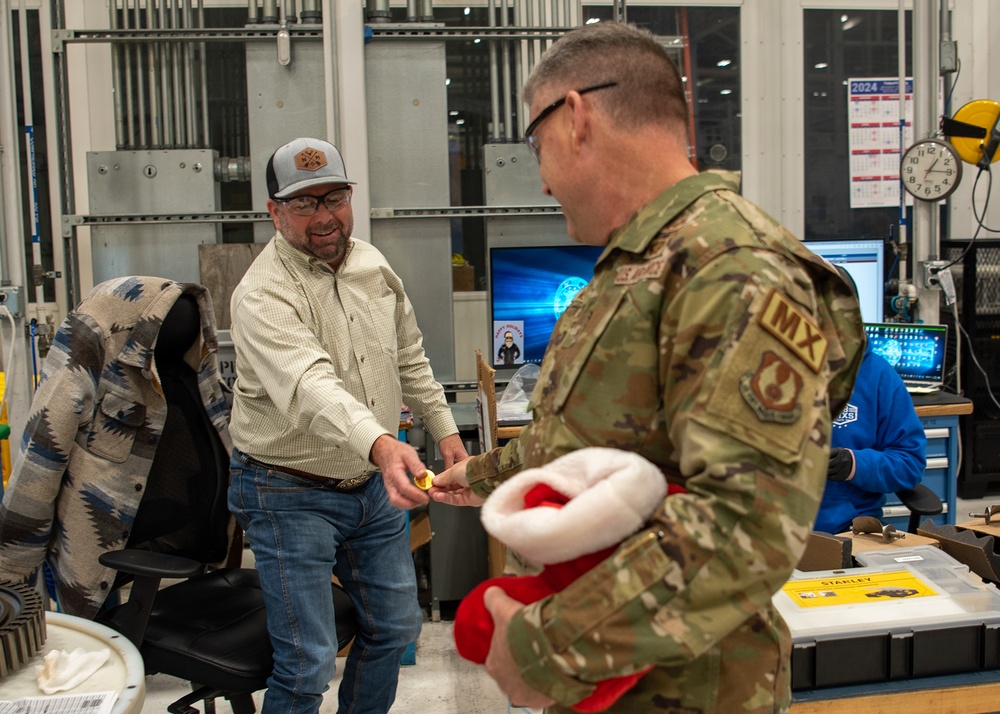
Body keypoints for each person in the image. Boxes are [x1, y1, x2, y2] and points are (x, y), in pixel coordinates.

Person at [430, 22, 864, 714]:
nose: (540, 180)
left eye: (534, 143)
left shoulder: (730, 267)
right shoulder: (641, 264)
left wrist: (547, 646)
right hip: (616, 678)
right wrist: (482, 478)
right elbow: (603, 447)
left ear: (576, 117)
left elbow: (746, 523)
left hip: (687, 688)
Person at [227, 137, 468, 714]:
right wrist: (385, 444)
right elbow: (312, 389)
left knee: (392, 631)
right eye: (305, 205)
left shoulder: (371, 265)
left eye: (334, 198)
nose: (325, 217)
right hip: (287, 490)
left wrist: (446, 431)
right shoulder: (261, 294)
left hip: (369, 487)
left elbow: (408, 355)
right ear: (274, 212)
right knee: (307, 664)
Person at [0, 276, 232, 619]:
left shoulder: (194, 365)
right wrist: (11, 570)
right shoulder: (96, 341)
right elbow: (43, 453)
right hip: (101, 546)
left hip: (177, 543)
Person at [813, 267, 927, 534]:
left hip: (845, 531)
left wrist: (854, 464)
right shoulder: (769, 371)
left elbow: (910, 463)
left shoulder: (878, 377)